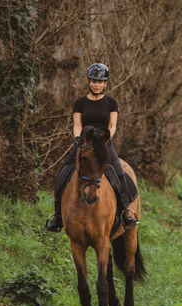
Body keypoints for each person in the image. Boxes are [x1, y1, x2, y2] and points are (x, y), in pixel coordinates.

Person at [45, 63, 139, 232]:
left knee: (119, 172)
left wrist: (105, 139)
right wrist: (77, 138)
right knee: (63, 172)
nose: (97, 84)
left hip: (103, 144)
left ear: (105, 83)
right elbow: (77, 124)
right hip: (84, 143)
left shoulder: (111, 103)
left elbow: (112, 125)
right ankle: (57, 217)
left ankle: (125, 212)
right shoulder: (80, 102)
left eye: (100, 81)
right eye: (94, 81)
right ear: (89, 81)